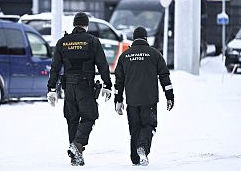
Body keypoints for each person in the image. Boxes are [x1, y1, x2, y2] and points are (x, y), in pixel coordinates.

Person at [47, 12, 112, 166]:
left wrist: (51, 88)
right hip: (85, 86)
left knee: (72, 119)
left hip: (68, 86)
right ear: (86, 25)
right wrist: (108, 84)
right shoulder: (92, 41)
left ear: (74, 25)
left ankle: (75, 157)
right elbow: (103, 65)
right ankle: (77, 145)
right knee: (90, 116)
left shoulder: (62, 42)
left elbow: (55, 67)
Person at [114, 26, 174, 166]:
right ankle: (142, 148)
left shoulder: (125, 56)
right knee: (148, 125)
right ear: (146, 38)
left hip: (132, 101)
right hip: (149, 100)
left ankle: (135, 158)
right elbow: (164, 76)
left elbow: (119, 81)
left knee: (134, 128)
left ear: (133, 39)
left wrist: (118, 100)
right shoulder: (154, 54)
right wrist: (169, 95)